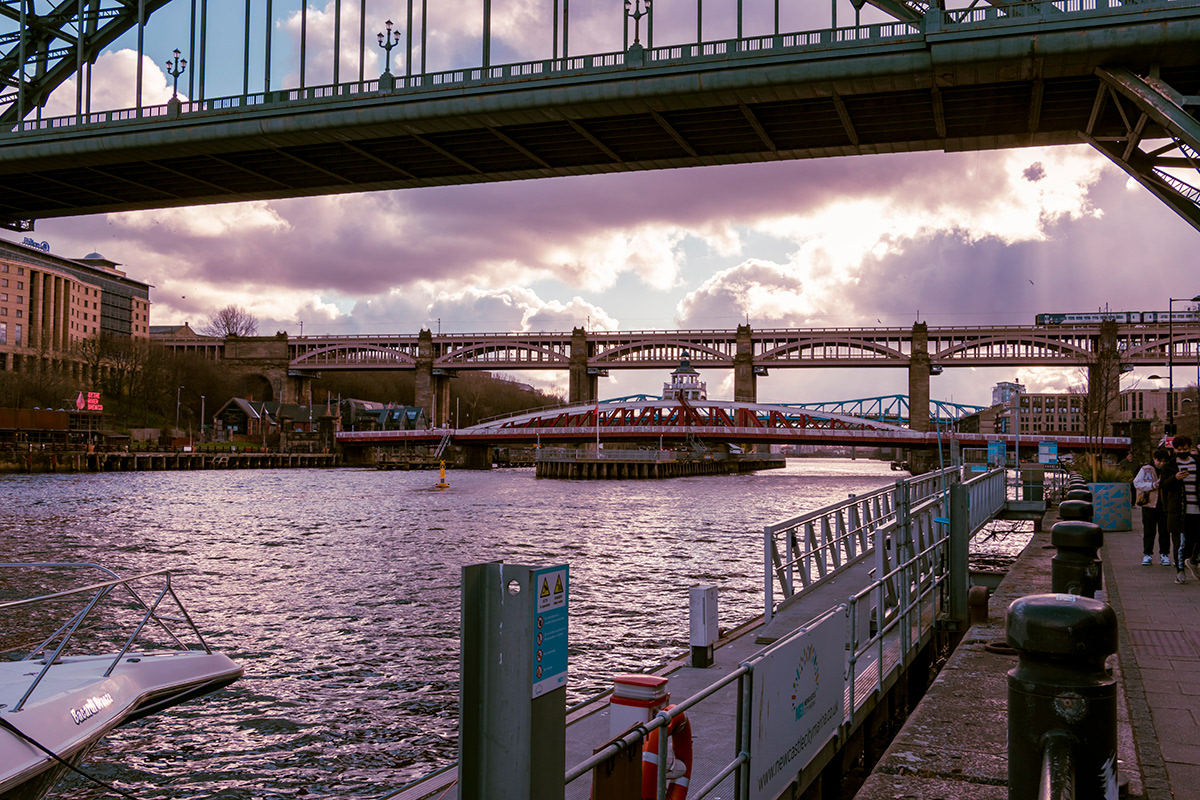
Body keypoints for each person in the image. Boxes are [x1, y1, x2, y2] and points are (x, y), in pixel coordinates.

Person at [1165, 435, 1198, 583]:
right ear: (1174, 449)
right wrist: (1175, 478)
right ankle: (1180, 570)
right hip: (1180, 510)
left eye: (1185, 448)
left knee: (1195, 540)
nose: (1183, 451)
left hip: (1197, 508)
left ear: (1190, 447)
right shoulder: (1170, 465)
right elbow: (1163, 486)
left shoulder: (1197, 463)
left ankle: (1192, 560)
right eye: (1179, 449)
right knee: (1181, 543)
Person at [1135, 448, 1171, 565]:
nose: (1161, 463)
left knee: (1164, 531)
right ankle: (1147, 554)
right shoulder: (1146, 469)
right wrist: (1152, 485)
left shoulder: (1169, 469)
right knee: (1149, 531)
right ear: (1154, 459)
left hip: (1165, 505)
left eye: (1164, 461)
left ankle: (1164, 554)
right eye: (1159, 461)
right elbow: (1137, 483)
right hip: (1149, 504)